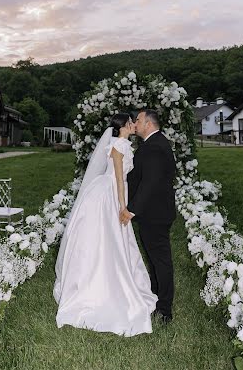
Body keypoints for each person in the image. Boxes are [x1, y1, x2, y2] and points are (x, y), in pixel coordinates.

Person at [53, 113, 157, 336]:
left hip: (112, 191)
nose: (133, 125)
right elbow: (118, 178)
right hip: (108, 195)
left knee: (113, 240)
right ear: (122, 127)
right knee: (105, 238)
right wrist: (122, 207)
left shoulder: (123, 144)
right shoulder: (119, 145)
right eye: (130, 123)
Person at [120, 109, 176, 323]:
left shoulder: (154, 147)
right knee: (155, 259)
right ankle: (156, 295)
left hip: (155, 213)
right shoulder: (155, 143)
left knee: (161, 261)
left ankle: (164, 309)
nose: (136, 123)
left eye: (139, 120)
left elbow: (150, 183)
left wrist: (131, 209)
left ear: (149, 124)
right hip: (155, 212)